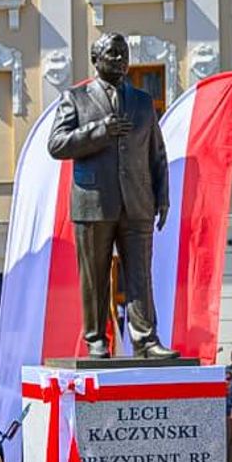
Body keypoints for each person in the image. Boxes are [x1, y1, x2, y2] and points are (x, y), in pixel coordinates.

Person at [46, 32, 176, 360]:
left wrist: (162, 195)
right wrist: (100, 130)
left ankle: (146, 340)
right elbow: (57, 145)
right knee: (95, 276)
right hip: (93, 202)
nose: (120, 60)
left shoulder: (143, 102)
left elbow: (156, 153)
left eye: (123, 53)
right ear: (96, 59)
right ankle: (96, 340)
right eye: (112, 54)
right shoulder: (75, 98)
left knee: (140, 274)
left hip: (138, 202)